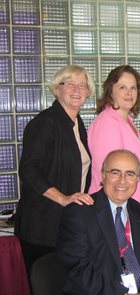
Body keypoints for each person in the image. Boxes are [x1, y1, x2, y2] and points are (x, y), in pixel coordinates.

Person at [14, 65, 95, 275]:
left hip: (66, 224)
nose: (76, 90)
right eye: (69, 84)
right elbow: (29, 170)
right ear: (57, 89)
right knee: (46, 287)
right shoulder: (45, 122)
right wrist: (63, 198)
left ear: (88, 92)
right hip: (42, 228)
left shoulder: (77, 123)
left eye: (82, 85)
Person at [58, 150, 140, 295]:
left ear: (138, 179)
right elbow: (78, 269)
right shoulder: (79, 213)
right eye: (115, 173)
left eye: (130, 174)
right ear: (103, 175)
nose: (122, 181)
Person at [88, 65, 140, 207]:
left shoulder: (128, 121)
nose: (129, 93)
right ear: (111, 91)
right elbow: (108, 177)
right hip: (114, 211)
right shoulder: (107, 123)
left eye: (133, 88)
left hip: (134, 208)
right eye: (122, 87)